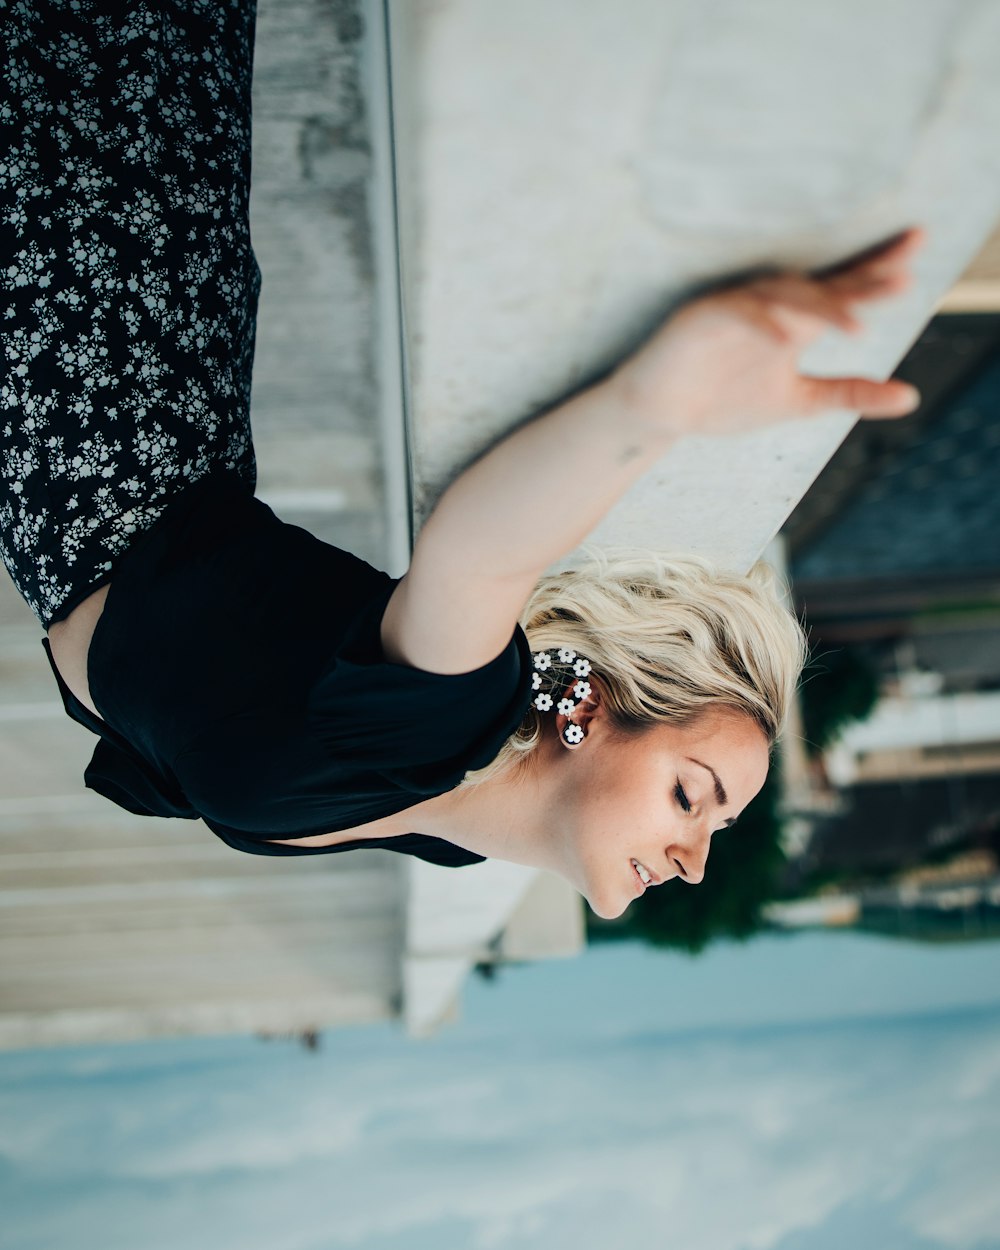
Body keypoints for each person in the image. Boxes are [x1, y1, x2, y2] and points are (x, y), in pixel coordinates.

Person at [0, 2, 925, 919]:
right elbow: (483, 555)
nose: (691, 862)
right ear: (587, 709)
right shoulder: (444, 729)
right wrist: (657, 403)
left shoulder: (441, 831)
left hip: (94, 377)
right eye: (692, 799)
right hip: (99, 303)